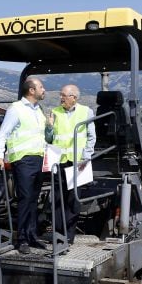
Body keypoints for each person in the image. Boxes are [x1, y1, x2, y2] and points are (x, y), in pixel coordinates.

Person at [0, 77, 48, 254]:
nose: (44, 90)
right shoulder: (16, 109)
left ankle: (32, 235)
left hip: (38, 158)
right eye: (41, 87)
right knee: (24, 199)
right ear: (31, 91)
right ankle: (21, 239)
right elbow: (3, 133)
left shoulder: (38, 109)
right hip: (23, 159)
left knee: (33, 199)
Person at [45, 84, 96, 245]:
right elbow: (48, 139)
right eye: (61, 95)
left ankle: (69, 236)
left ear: (74, 97)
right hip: (59, 161)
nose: (61, 98)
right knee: (58, 199)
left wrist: (86, 157)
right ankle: (58, 234)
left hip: (78, 162)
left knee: (73, 200)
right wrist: (49, 126)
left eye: (64, 95)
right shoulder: (55, 112)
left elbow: (91, 137)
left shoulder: (86, 112)